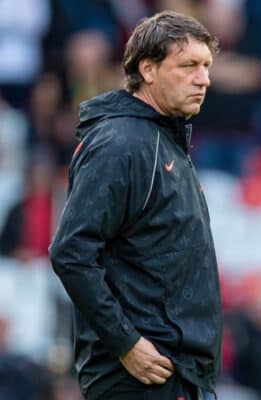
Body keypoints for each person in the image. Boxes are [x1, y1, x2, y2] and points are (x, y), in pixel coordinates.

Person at [49, 11, 222, 400]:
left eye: (207, 66)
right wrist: (126, 343)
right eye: (189, 65)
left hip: (177, 373)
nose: (204, 78)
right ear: (148, 69)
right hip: (140, 378)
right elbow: (70, 252)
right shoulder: (119, 143)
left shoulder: (161, 139)